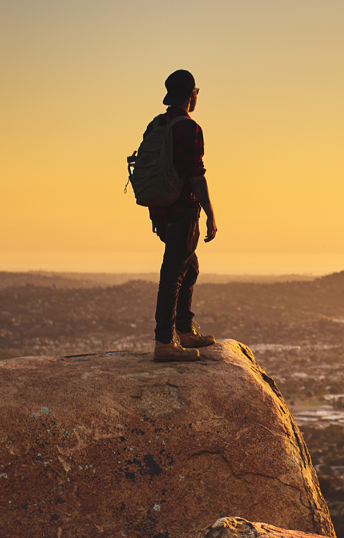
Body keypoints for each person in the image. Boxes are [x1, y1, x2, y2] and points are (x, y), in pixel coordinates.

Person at [148, 69, 218, 362]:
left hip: (161, 210)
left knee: (189, 268)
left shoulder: (156, 125)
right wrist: (211, 214)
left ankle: (185, 330)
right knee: (174, 274)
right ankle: (165, 341)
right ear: (192, 95)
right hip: (182, 211)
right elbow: (196, 175)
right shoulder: (190, 128)